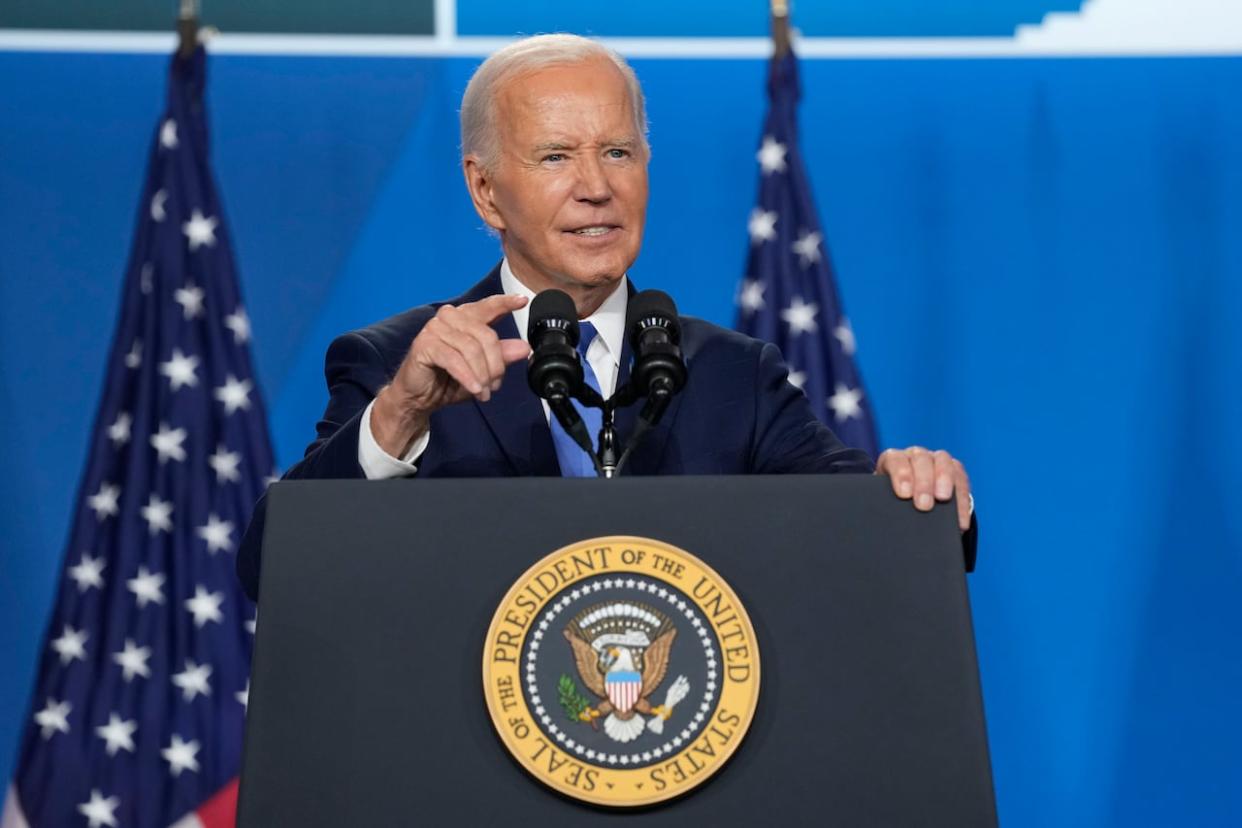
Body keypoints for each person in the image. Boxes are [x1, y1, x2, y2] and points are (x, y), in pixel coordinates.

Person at [237, 34, 975, 601]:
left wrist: (911, 491)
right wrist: (398, 416)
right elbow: (273, 565)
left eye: (618, 151)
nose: (596, 187)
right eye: (556, 156)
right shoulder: (394, 364)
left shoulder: (734, 376)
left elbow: (859, 525)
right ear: (486, 191)